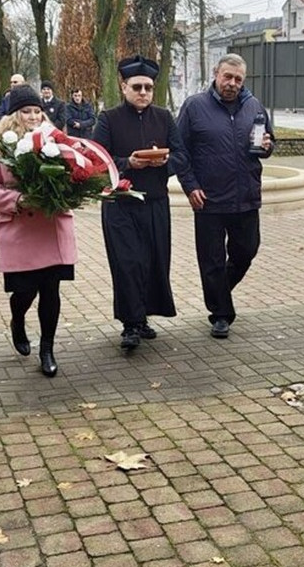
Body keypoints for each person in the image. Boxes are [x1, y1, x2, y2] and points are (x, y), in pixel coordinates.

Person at [175, 53, 274, 339]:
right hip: (209, 199)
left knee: (247, 250)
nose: (232, 83)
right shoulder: (194, 106)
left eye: (238, 79)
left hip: (246, 197)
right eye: (227, 77)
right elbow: (180, 152)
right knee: (212, 261)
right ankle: (220, 314)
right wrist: (190, 186)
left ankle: (219, 292)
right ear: (216, 74)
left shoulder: (254, 106)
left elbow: (268, 144)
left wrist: (267, 146)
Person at [0, 84, 73, 377]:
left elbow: (73, 172)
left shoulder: (55, 140)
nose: (33, 116)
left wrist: (67, 190)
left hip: (51, 226)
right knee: (24, 291)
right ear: (13, 115)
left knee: (51, 290)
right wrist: (19, 200)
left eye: (37, 111)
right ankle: (17, 320)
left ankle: (47, 349)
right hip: (20, 228)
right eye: (26, 111)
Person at [93, 55, 185, 351]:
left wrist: (165, 162)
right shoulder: (108, 119)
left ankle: (143, 317)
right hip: (121, 204)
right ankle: (130, 324)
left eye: (148, 87)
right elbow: (97, 160)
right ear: (124, 87)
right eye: (137, 87)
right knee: (128, 263)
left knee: (153, 261)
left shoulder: (164, 118)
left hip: (155, 203)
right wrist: (128, 163)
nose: (143, 92)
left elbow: (182, 155)